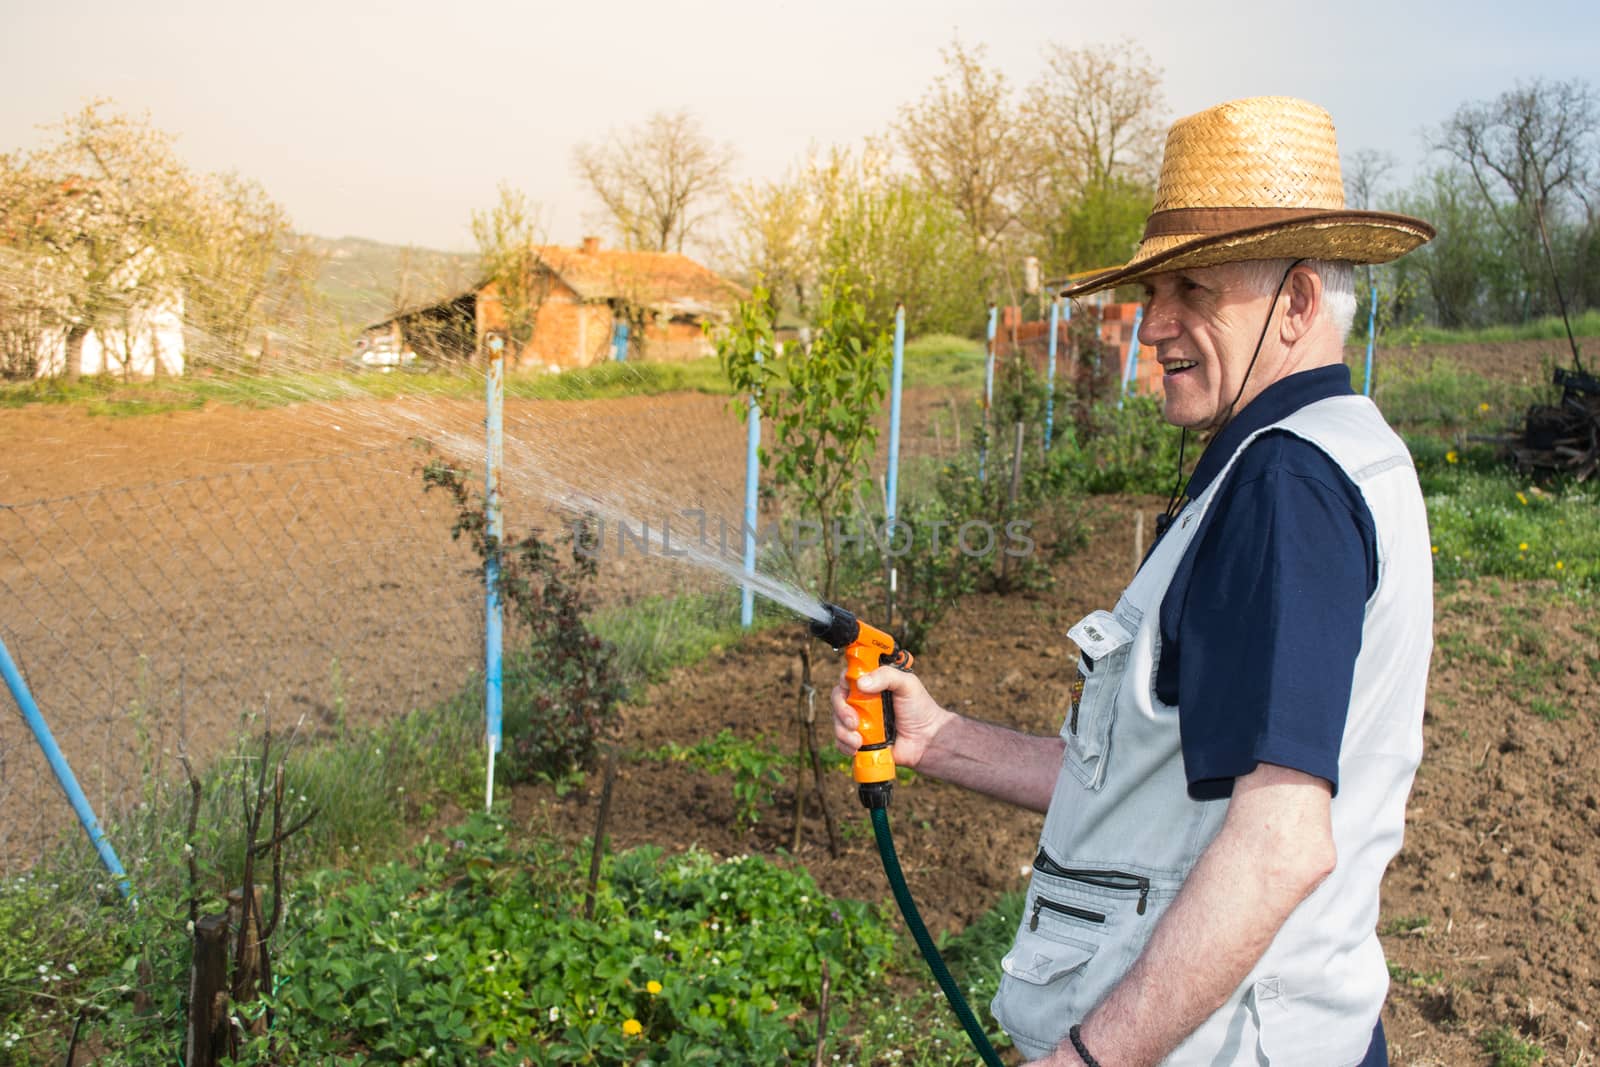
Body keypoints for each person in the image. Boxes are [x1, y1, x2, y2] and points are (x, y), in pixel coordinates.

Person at [832, 96, 1436, 1066]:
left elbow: (1279, 841)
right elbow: (1156, 789)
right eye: (1153, 292)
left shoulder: (1286, 481)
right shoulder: (1340, 454)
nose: (1154, 325)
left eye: (1193, 289)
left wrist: (1084, 1059)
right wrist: (940, 739)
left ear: (1296, 302)